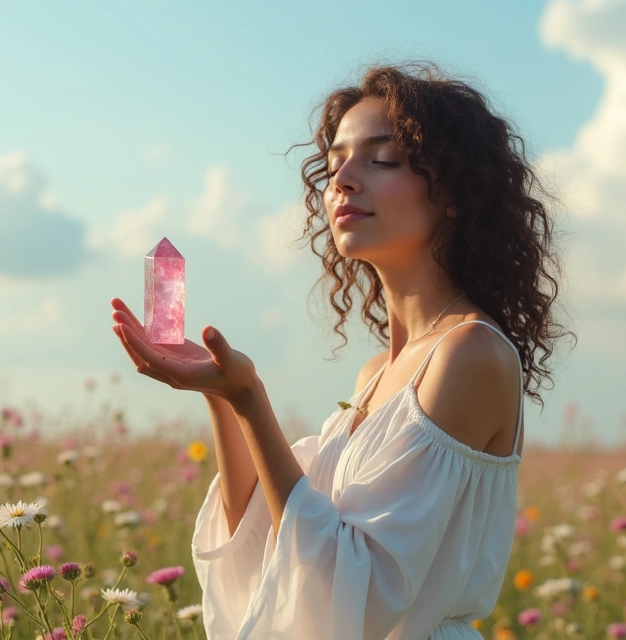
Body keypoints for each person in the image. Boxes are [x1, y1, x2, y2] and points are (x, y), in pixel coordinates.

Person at [110, 62, 569, 640]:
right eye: (334, 164)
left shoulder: (469, 354)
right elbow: (268, 544)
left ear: (453, 190)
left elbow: (362, 594)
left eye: (382, 159)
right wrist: (223, 397)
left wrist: (251, 398)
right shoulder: (377, 371)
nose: (343, 180)